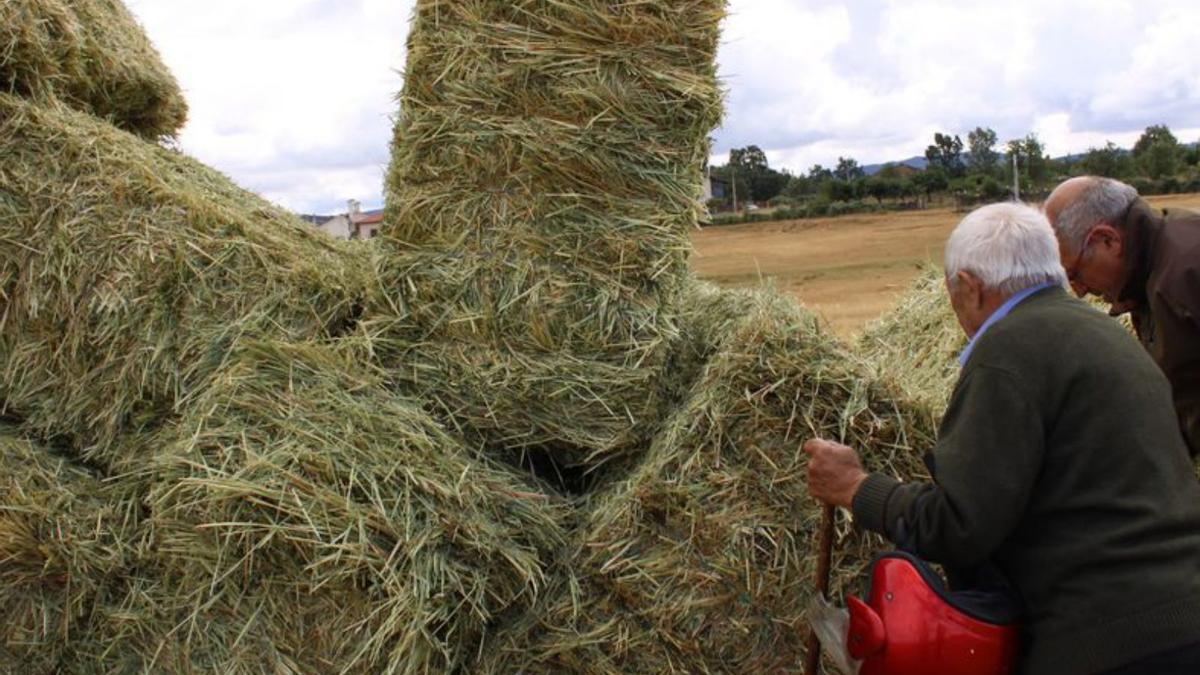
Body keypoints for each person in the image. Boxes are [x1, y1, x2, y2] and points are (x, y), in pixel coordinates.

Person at [804, 202, 1200, 675]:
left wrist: (856, 488)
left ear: (970, 289)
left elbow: (960, 527)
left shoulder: (1008, 353)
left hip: (1104, 643)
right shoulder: (1108, 336)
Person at [1044, 176, 1200, 456]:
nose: (1078, 291)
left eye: (1075, 274)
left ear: (1108, 240)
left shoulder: (1182, 280)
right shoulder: (1153, 266)